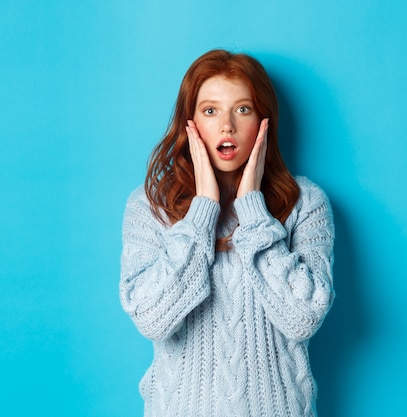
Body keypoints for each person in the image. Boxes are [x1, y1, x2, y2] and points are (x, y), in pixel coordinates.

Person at [120, 49, 335, 417]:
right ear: (190, 123)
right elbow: (152, 319)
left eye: (243, 109)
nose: (227, 126)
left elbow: (303, 319)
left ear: (264, 120)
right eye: (210, 110)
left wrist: (252, 208)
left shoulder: (306, 203)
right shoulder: (150, 206)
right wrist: (204, 209)